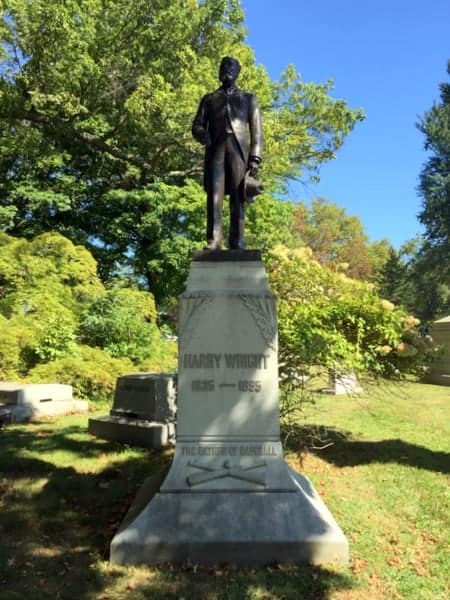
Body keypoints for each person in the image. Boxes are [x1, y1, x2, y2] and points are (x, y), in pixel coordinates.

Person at [192, 57, 263, 250]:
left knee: (238, 197)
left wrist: (255, 158)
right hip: (216, 150)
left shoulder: (248, 98)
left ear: (238, 72)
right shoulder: (209, 99)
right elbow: (197, 125)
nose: (227, 70)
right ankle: (214, 240)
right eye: (223, 66)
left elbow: (257, 131)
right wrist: (202, 134)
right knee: (214, 196)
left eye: (231, 67)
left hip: (239, 151)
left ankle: (237, 240)